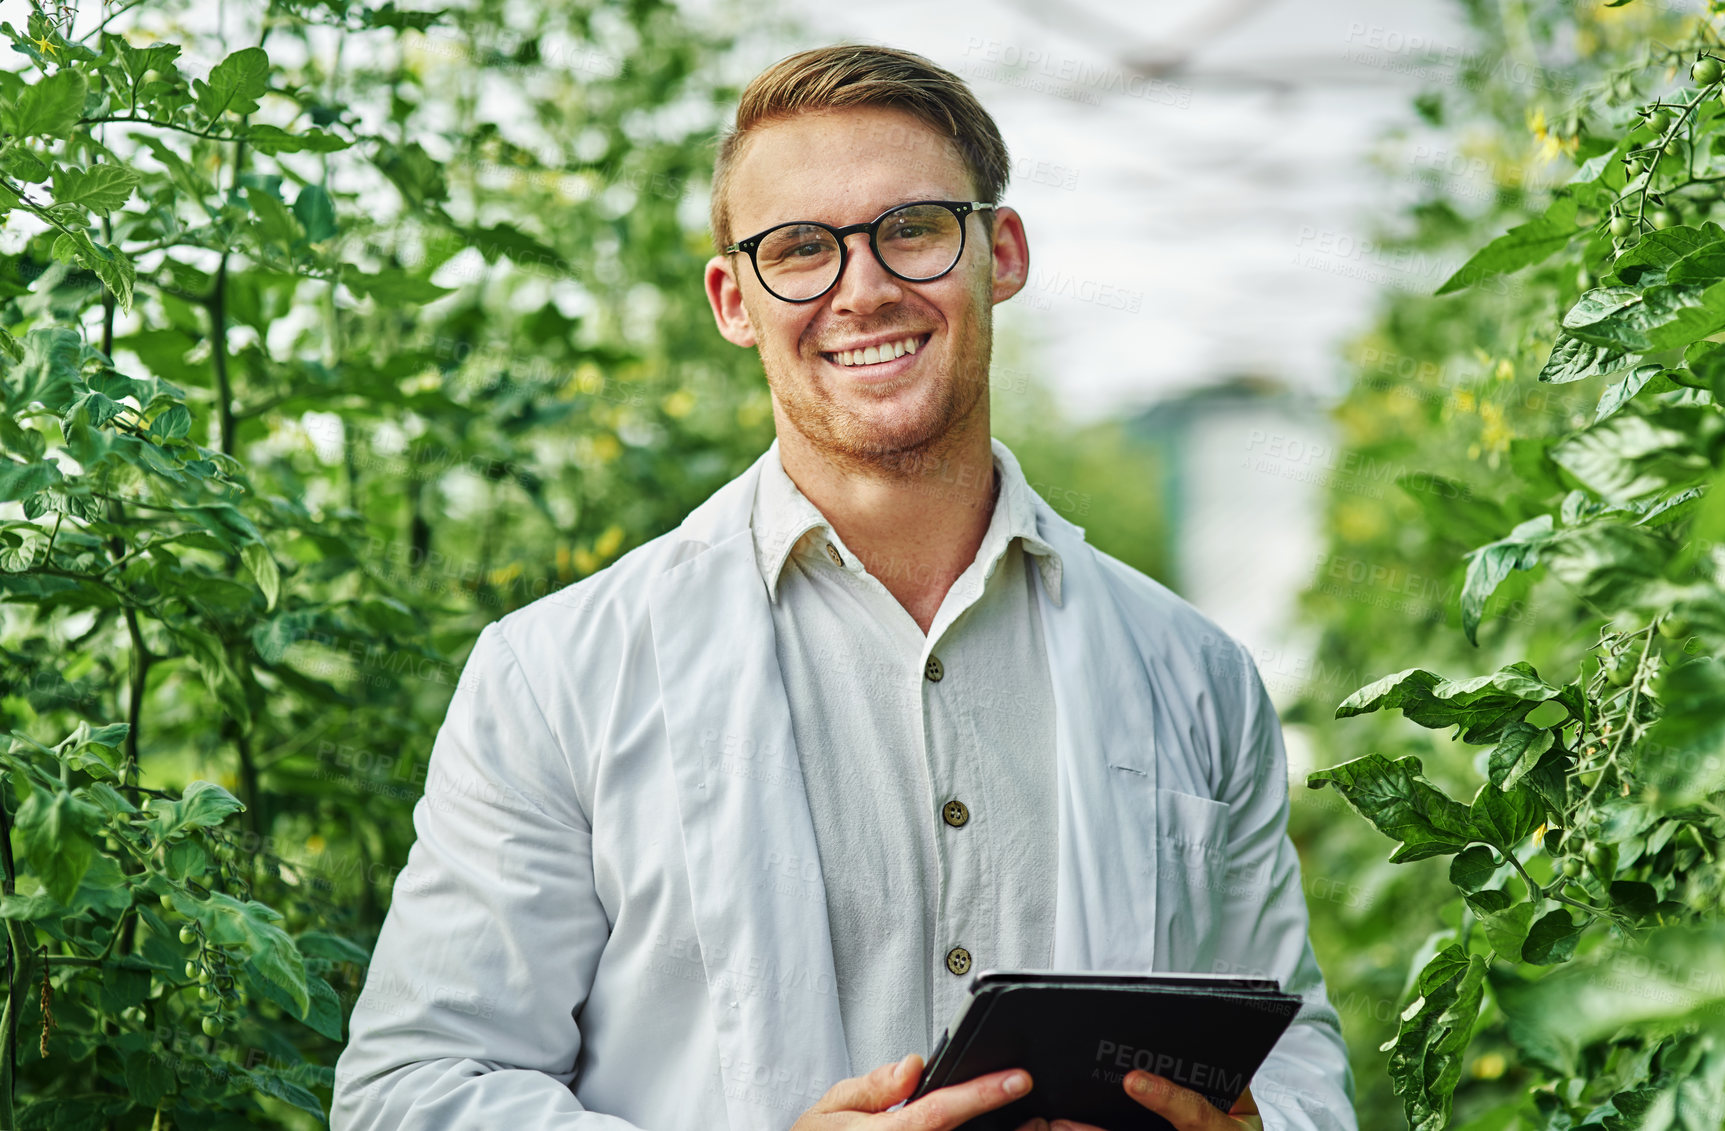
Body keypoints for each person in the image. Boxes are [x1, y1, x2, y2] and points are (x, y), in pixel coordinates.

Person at [331, 43, 1356, 1131]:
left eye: (911, 229)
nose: (863, 290)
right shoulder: (553, 678)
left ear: (999, 253)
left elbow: (1292, 1061)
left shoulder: (1194, 675)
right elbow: (414, 1091)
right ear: (735, 301)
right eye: (801, 250)